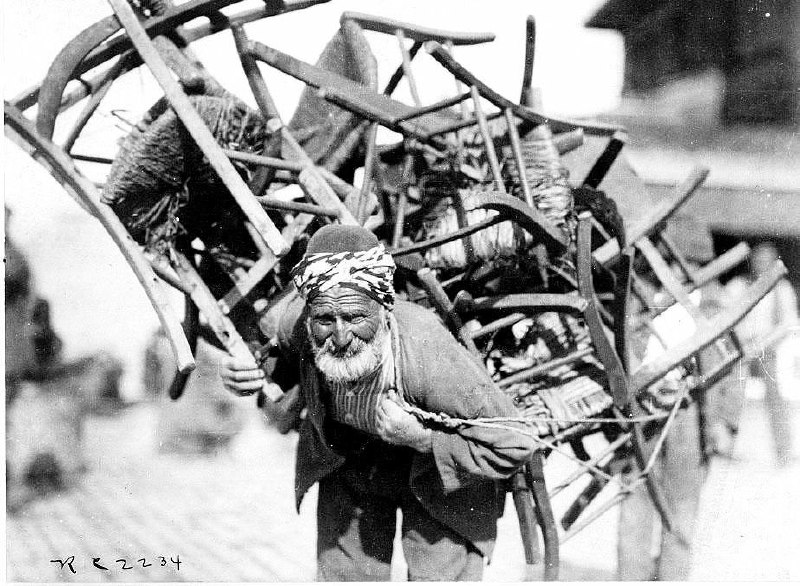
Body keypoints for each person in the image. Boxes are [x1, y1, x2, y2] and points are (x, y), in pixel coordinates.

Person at [220, 224, 536, 581]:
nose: (340, 336)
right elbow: (280, 365)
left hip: (437, 473)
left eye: (355, 318)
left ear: (384, 307)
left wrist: (423, 439)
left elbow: (516, 441)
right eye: (325, 319)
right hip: (352, 460)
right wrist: (248, 375)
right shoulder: (298, 325)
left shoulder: (426, 352)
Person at [727, 241, 798, 466]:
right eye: (758, 261)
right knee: (733, 394)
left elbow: (787, 322)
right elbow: (725, 313)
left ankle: (784, 450)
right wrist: (742, 342)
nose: (761, 266)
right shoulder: (740, 285)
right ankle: (726, 445)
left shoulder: (782, 288)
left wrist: (765, 343)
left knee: (776, 397)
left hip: (767, 348)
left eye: (767, 262)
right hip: (741, 349)